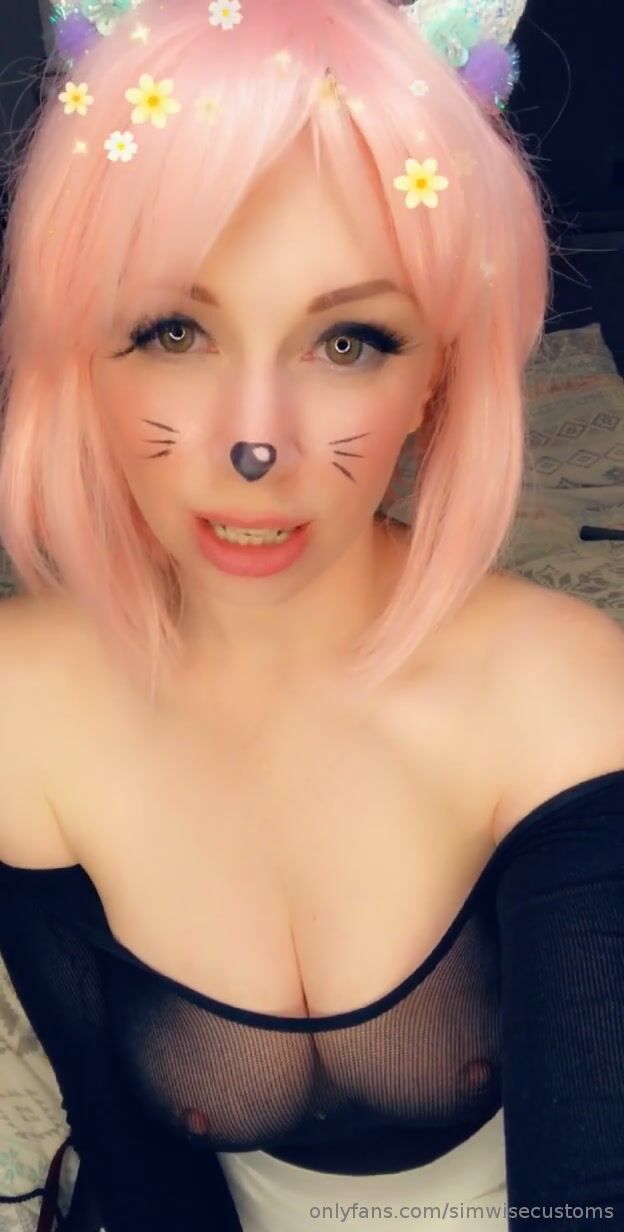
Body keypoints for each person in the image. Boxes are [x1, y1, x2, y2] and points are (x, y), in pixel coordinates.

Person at [0, 1, 623, 1229]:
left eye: (348, 340)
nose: (256, 444)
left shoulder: (567, 700)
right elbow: (145, 1176)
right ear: (81, 345)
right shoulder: (24, 712)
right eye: (173, 329)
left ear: (440, 364)